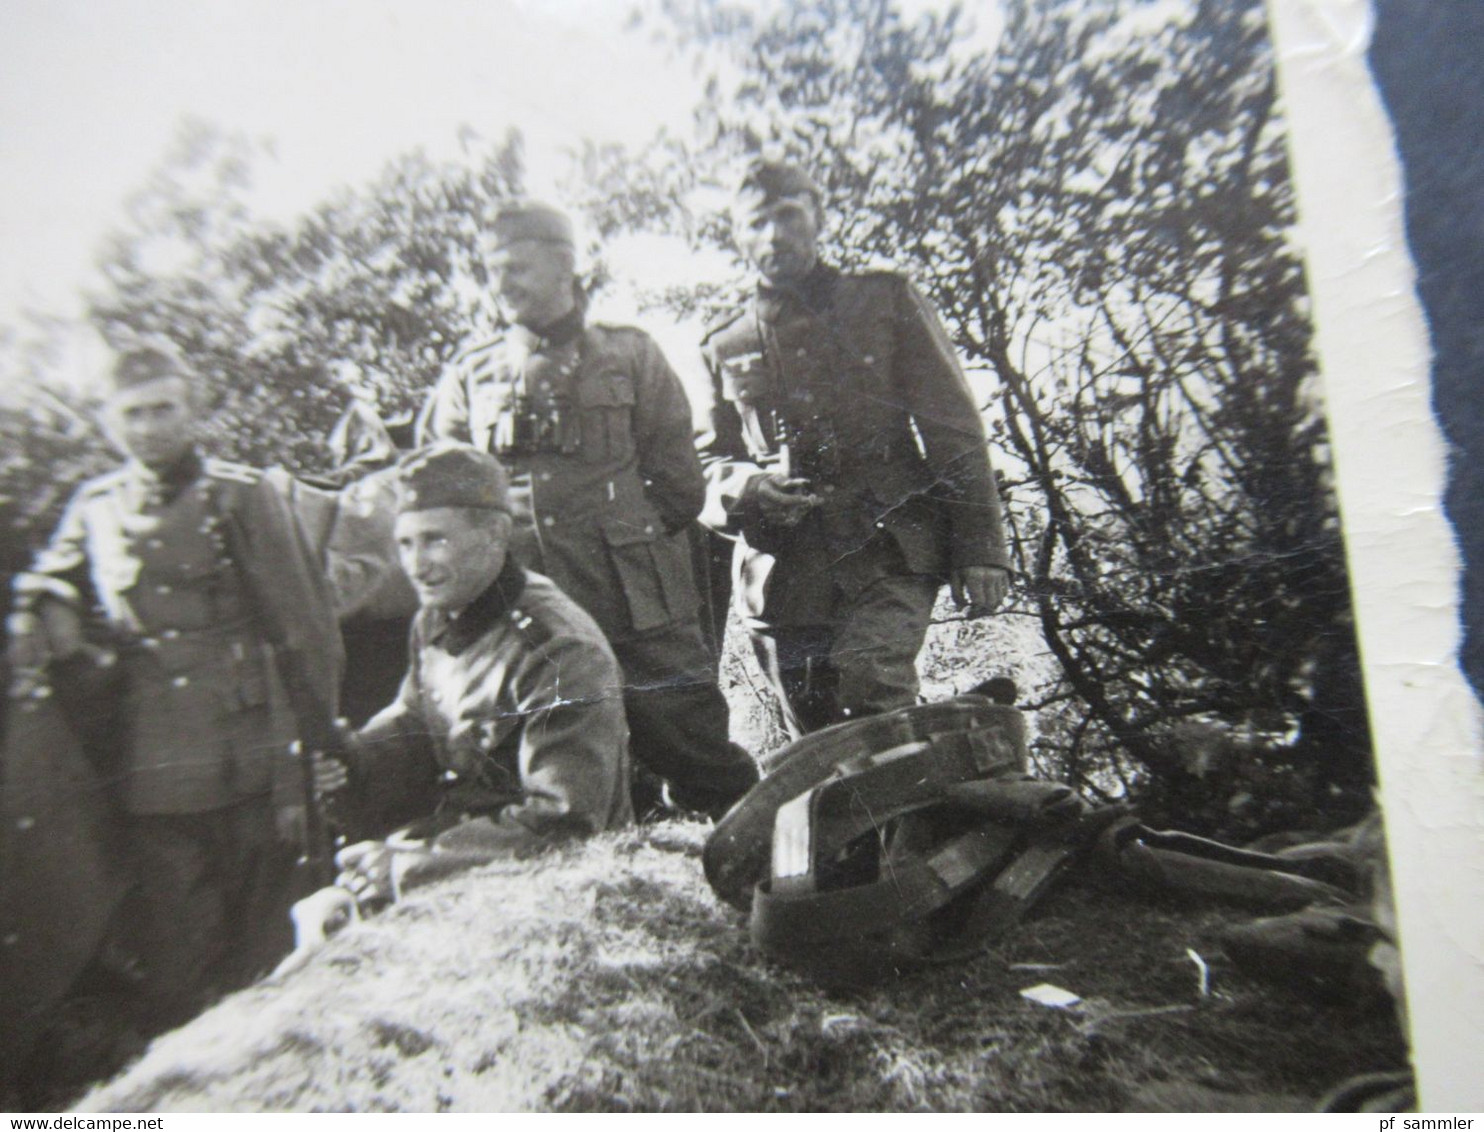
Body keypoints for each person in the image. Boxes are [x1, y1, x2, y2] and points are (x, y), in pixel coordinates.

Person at [5, 342, 344, 1036]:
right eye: (133, 414)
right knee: (179, 972)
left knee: (275, 962)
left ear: (193, 410)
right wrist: (38, 607)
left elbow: (307, 634)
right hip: (157, 773)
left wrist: (305, 762)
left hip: (254, 761)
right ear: (110, 424)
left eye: (164, 409)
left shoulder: (245, 497)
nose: (150, 427)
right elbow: (53, 576)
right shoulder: (96, 507)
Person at [417, 200, 757, 818]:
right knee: (557, 772)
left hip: (637, 603)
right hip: (529, 612)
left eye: (517, 265)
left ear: (565, 265)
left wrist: (627, 538)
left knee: (695, 751)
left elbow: (681, 483)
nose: (503, 282)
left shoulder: (631, 354)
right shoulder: (472, 375)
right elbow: (443, 495)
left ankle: (758, 868)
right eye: (493, 270)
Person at [698, 159, 1012, 739]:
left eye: (789, 216)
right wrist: (749, 489)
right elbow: (705, 464)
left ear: (818, 218)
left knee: (871, 688)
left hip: (889, 544)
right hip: (783, 571)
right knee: (814, 742)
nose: (774, 234)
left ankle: (928, 825)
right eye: (757, 222)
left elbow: (953, 428)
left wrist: (981, 547)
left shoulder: (883, 302)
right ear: (738, 236)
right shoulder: (724, 342)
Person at [316, 443, 633, 904]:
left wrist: (409, 866)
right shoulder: (439, 615)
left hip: (556, 886)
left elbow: (566, 824)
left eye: (435, 540)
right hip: (471, 850)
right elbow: (413, 719)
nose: (416, 566)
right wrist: (351, 758)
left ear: (495, 534)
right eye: (405, 544)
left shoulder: (557, 650)